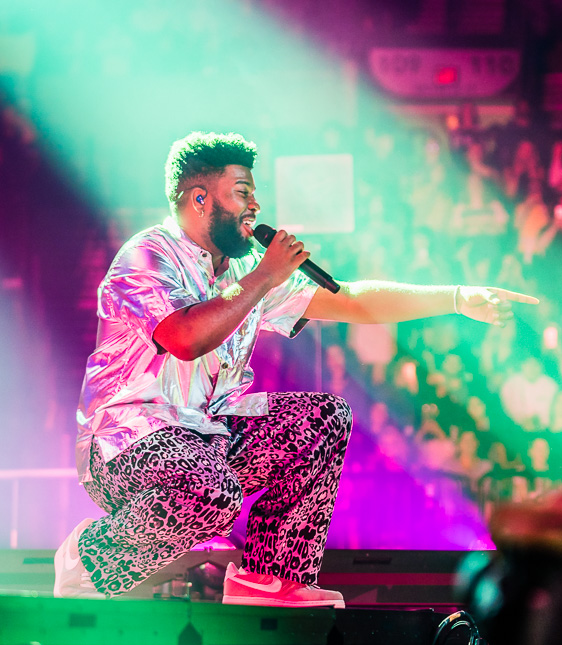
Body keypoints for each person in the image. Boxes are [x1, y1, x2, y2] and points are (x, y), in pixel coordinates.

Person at [55, 132, 537, 605]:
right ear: (199, 199)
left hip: (208, 436)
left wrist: (455, 298)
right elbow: (183, 338)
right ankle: (90, 560)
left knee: (323, 421)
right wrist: (266, 275)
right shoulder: (147, 255)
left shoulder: (243, 273)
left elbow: (346, 299)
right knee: (213, 492)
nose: (255, 206)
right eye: (242, 192)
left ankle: (270, 579)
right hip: (126, 443)